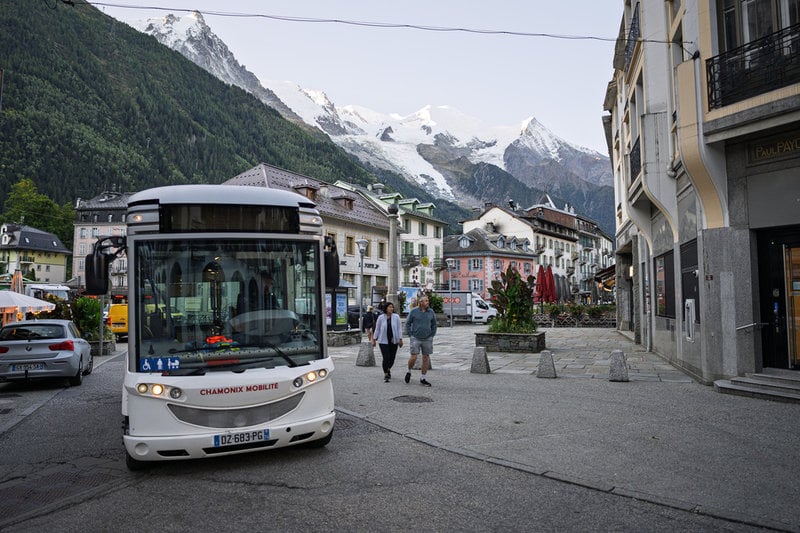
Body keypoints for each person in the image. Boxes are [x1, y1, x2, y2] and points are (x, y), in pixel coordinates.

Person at [404, 295, 437, 387]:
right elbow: (407, 323)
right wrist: (410, 335)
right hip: (415, 337)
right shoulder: (414, 311)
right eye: (426, 301)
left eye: (428, 300)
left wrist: (432, 335)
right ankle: (409, 371)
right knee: (413, 356)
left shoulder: (431, 312)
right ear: (421, 302)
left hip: (427, 338)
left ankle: (423, 378)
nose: (428, 302)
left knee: (426, 358)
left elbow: (434, 324)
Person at [371, 301, 403, 382]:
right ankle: (386, 373)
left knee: (392, 358)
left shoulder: (396, 317)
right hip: (383, 341)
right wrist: (374, 339)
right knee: (386, 357)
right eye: (389, 307)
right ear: (386, 308)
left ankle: (388, 369)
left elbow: (399, 329)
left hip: (393, 340)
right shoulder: (381, 317)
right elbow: (377, 329)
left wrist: (400, 339)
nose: (391, 309)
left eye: (392, 307)